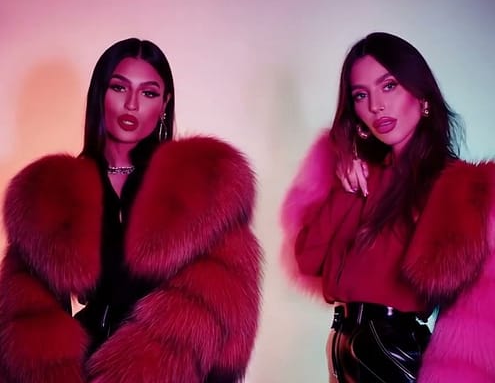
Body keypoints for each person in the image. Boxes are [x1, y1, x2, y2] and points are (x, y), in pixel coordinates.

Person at [0, 38, 262, 383]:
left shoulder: (202, 186)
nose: (132, 104)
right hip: (85, 366)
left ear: (165, 103)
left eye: (149, 93)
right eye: (119, 88)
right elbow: (23, 314)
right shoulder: (53, 191)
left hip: (167, 369)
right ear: (100, 94)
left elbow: (228, 309)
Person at [280, 32, 495, 382]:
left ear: (421, 96)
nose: (376, 106)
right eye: (361, 95)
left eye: (389, 86)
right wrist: (346, 179)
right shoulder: (362, 176)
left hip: (390, 349)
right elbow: (308, 259)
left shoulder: (454, 186)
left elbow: (468, 304)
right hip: (343, 345)